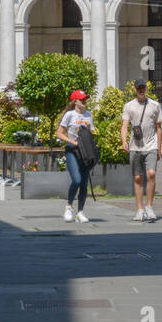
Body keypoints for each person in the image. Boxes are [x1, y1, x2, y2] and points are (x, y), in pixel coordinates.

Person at [121, 80, 162, 222]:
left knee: (151, 174)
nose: (141, 90)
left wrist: (160, 146)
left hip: (151, 145)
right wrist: (123, 141)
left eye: (143, 88)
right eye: (139, 88)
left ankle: (149, 206)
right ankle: (139, 209)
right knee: (138, 178)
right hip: (135, 146)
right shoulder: (129, 106)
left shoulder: (155, 105)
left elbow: (159, 127)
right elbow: (124, 125)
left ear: (146, 88)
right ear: (135, 89)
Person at [55, 91, 95, 223]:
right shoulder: (69, 115)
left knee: (84, 183)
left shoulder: (88, 115)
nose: (84, 101)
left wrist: (89, 129)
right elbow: (59, 133)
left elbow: (90, 134)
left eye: (85, 99)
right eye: (82, 99)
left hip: (85, 152)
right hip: (72, 150)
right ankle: (68, 207)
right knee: (76, 180)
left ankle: (80, 212)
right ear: (75, 101)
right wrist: (72, 142)